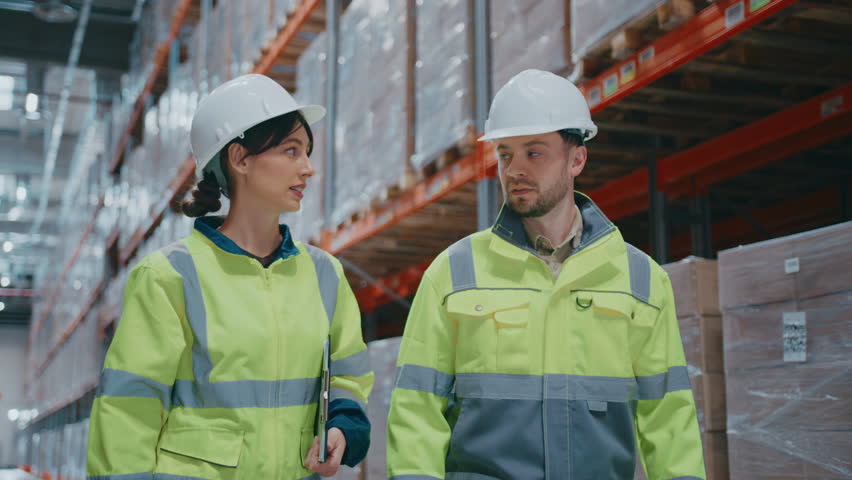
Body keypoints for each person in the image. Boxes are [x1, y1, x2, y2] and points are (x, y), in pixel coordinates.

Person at [386, 69, 705, 480]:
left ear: (577, 160)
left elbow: (670, 421)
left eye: (533, 153)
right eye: (505, 155)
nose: (514, 170)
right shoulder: (454, 272)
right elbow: (416, 413)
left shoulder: (640, 279)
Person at [86, 74, 374, 479]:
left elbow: (349, 376)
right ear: (240, 159)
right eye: (291, 151)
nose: (308, 168)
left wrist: (342, 428)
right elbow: (127, 413)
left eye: (307, 153)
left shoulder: (324, 273)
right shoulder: (169, 277)